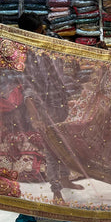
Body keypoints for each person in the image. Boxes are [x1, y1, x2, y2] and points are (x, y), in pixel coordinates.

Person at [17, 13, 84, 202]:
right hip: (44, 107)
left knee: (63, 142)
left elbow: (69, 56)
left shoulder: (49, 42)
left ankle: (65, 179)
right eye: (40, 30)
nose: (43, 32)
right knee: (51, 148)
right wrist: (34, 114)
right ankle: (56, 190)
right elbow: (27, 87)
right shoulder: (26, 54)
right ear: (34, 31)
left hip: (60, 102)